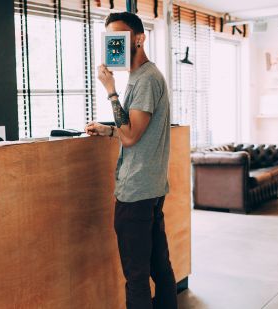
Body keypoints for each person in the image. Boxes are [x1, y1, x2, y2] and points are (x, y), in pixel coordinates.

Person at [85, 12, 177, 309]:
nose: (116, 47)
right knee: (158, 266)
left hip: (136, 192)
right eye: (112, 40)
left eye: (121, 39)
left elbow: (132, 136)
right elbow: (132, 130)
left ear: (139, 38)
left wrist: (110, 90)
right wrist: (109, 130)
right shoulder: (141, 77)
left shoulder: (146, 79)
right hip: (148, 188)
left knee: (136, 277)